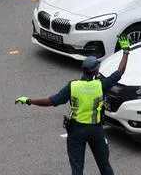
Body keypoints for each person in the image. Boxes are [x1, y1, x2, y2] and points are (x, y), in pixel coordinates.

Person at [16, 39, 132, 175]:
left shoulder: (73, 86)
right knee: (104, 166)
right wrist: (126, 51)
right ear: (95, 71)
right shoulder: (101, 86)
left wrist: (30, 101)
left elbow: (51, 101)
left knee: (77, 168)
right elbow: (120, 71)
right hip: (96, 131)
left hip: (76, 131)